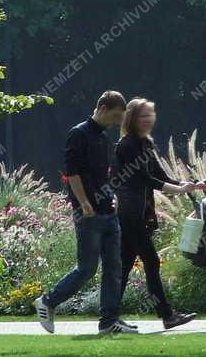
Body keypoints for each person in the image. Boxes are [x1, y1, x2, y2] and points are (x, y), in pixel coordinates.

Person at [34, 90, 137, 335]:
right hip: (88, 213)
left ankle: (109, 321)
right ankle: (48, 301)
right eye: (113, 116)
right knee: (87, 269)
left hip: (107, 211)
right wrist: (83, 202)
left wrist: (112, 197)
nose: (115, 123)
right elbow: (73, 173)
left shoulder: (103, 138)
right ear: (101, 107)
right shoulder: (78, 134)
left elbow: (104, 174)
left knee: (114, 266)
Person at [112, 98, 206, 330]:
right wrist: (177, 189)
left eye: (151, 115)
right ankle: (166, 314)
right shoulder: (126, 145)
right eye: (144, 116)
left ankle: (109, 316)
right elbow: (145, 179)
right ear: (132, 118)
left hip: (143, 212)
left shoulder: (146, 144)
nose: (149, 120)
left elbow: (161, 175)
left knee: (124, 265)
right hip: (130, 213)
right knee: (151, 261)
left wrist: (190, 185)